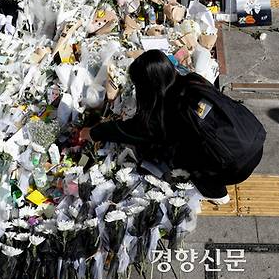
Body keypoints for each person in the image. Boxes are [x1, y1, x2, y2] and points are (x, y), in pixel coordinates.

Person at [83, 50, 265, 204]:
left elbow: (129, 131)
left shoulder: (164, 112)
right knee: (192, 138)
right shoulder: (193, 80)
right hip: (254, 140)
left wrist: (93, 133)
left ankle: (215, 192)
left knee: (172, 153)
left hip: (235, 169)